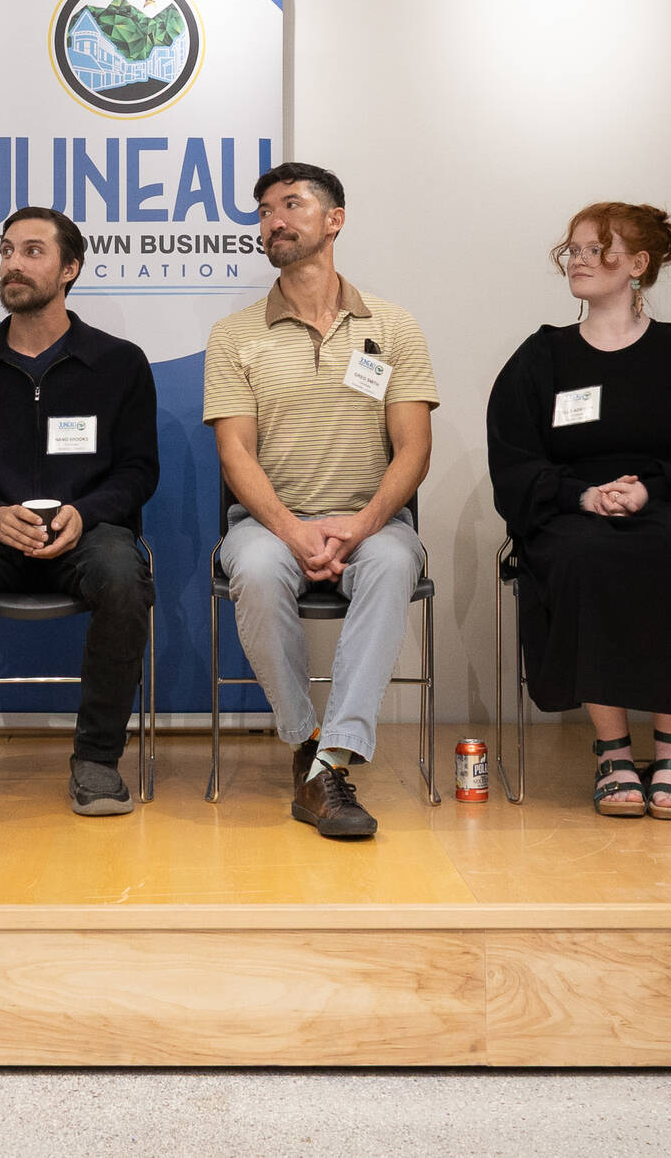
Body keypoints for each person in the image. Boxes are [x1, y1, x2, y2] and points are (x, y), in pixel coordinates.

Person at [486, 202, 671, 820]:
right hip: (570, 511)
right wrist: (582, 496)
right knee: (587, 553)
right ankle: (612, 752)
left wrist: (650, 489)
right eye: (573, 250)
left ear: (637, 264)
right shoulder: (544, 357)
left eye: (596, 249)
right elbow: (513, 457)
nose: (579, 261)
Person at [203, 162, 437, 839]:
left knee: (394, 564)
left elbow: (414, 448)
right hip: (268, 523)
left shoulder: (393, 326)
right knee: (251, 567)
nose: (274, 218)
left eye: (292, 204)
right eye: (264, 209)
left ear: (333, 220)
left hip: (375, 518)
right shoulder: (234, 334)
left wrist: (362, 525)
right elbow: (235, 454)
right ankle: (306, 736)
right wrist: (292, 531)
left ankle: (330, 758)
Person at [0, 206, 159, 823]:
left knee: (126, 576)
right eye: (7, 250)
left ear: (70, 268)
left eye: (33, 251)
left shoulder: (120, 363)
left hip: (89, 533)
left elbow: (138, 472)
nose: (13, 263)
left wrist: (85, 512)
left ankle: (98, 759)